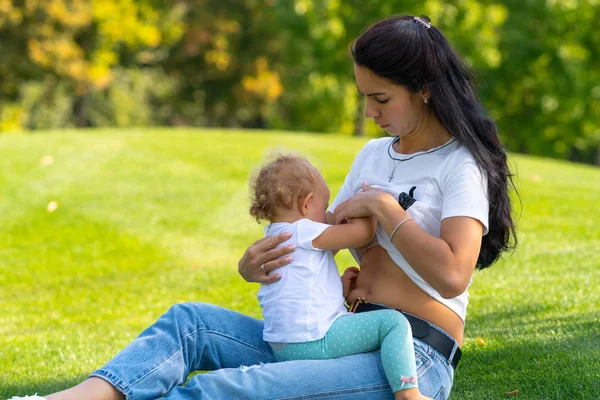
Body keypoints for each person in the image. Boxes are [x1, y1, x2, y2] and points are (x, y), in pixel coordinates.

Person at [9, 14, 516, 400]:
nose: (368, 112)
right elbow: (318, 234)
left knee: (230, 388)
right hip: (334, 333)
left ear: (423, 88)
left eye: (381, 99)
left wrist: (387, 210)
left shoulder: (459, 165)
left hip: (412, 358)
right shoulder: (371, 155)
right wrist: (254, 265)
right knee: (189, 324)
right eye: (364, 96)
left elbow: (453, 275)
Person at [248, 153, 430, 400]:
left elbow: (301, 286)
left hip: (281, 345)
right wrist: (371, 205)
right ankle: (409, 392)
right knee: (393, 324)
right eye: (324, 208)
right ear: (305, 204)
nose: (327, 215)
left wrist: (337, 286)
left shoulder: (275, 236)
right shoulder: (304, 230)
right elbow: (362, 235)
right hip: (312, 340)